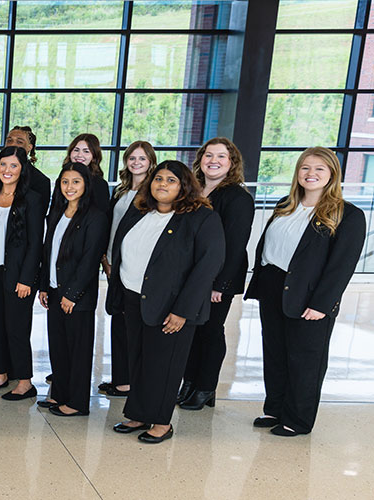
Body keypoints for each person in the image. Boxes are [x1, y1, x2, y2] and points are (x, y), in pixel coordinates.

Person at [245, 147, 365, 437]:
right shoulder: (285, 204)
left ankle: (297, 419)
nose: (311, 174)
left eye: (319, 169)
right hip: (273, 287)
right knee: (275, 353)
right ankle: (275, 408)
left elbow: (341, 266)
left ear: (332, 175)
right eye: (305, 168)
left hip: (309, 295)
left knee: (305, 358)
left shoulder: (347, 215)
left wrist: (322, 303)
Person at [106, 160, 224, 444]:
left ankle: (160, 422)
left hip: (171, 307)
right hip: (133, 298)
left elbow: (208, 265)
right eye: (158, 179)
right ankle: (137, 413)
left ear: (184, 186)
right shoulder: (139, 211)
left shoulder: (201, 218)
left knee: (164, 365)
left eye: (171, 180)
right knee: (138, 361)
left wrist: (182, 310)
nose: (162, 184)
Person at [178, 138, 254, 410]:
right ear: (200, 159)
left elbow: (235, 244)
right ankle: (188, 383)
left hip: (218, 279)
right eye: (209, 155)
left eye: (222, 156)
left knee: (210, 332)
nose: (214, 160)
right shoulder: (192, 190)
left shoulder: (238, 197)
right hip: (192, 275)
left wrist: (219, 284)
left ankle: (205, 387)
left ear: (232, 163)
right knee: (191, 331)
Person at [0, 126, 50, 373]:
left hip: (17, 275)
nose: (7, 170)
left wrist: (28, 278)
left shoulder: (32, 199)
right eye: (3, 165)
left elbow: (35, 242)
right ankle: (0, 373)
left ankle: (24, 379)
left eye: (13, 166)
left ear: (23, 168)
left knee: (16, 329)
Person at [36, 162, 109, 416]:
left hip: (77, 296)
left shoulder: (96, 217)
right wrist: (44, 285)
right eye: (65, 182)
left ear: (86, 185)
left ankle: (77, 403)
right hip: (55, 291)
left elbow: (90, 260)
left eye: (76, 182)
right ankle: (59, 395)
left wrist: (72, 294)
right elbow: (48, 253)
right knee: (58, 347)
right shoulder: (56, 212)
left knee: (78, 351)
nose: (69, 187)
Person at [98, 141, 156, 397]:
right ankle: (120, 377)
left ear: (150, 162)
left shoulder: (152, 193)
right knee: (117, 322)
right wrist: (106, 259)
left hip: (134, 266)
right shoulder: (121, 191)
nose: (136, 163)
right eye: (132, 158)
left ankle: (130, 381)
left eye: (141, 159)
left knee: (132, 325)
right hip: (114, 261)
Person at [64, 133, 111, 214]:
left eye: (86, 151)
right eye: (76, 150)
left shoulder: (100, 184)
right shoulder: (63, 179)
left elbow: (102, 218)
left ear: (94, 157)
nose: (79, 155)